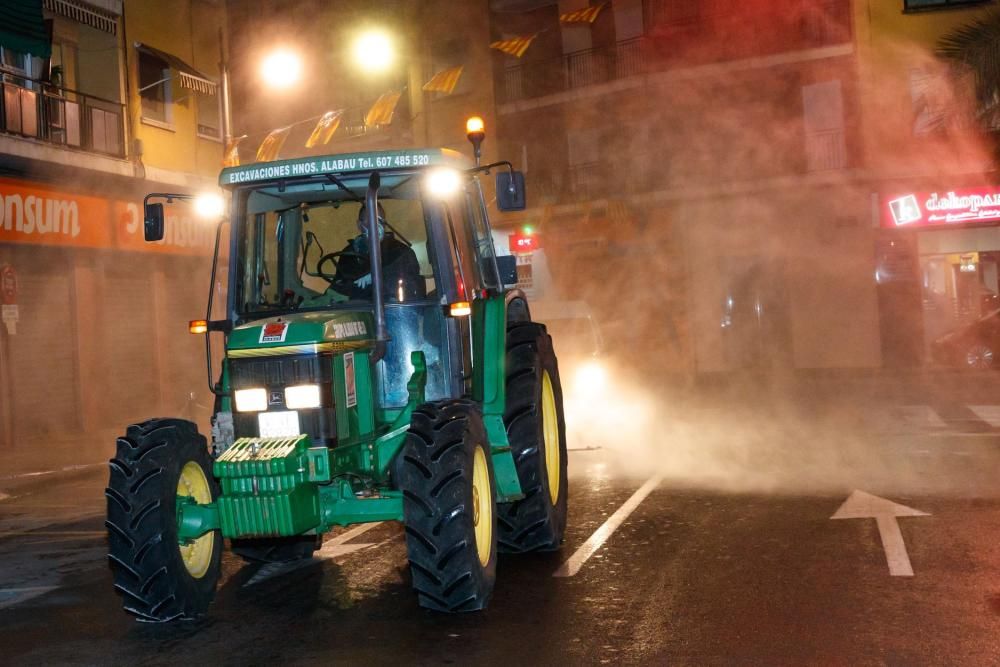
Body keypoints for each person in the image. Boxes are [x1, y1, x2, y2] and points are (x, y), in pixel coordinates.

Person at [333, 202, 425, 301]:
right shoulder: (348, 254)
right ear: (359, 225)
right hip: (357, 311)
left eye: (379, 220)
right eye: (370, 220)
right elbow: (339, 286)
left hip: (392, 309)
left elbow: (412, 285)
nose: (375, 225)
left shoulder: (401, 252)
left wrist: (378, 276)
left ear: (384, 224)